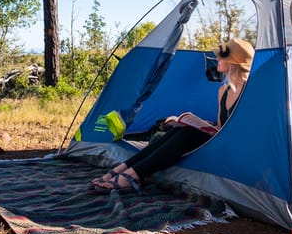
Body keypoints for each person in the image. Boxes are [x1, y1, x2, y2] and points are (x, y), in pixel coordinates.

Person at [90, 38, 254, 193]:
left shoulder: (250, 91)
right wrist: (198, 124)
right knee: (178, 131)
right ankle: (122, 169)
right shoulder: (222, 91)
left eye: (222, 55)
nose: (217, 57)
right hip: (218, 140)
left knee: (187, 134)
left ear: (234, 62)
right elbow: (219, 126)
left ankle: (132, 176)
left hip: (233, 147)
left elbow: (244, 131)